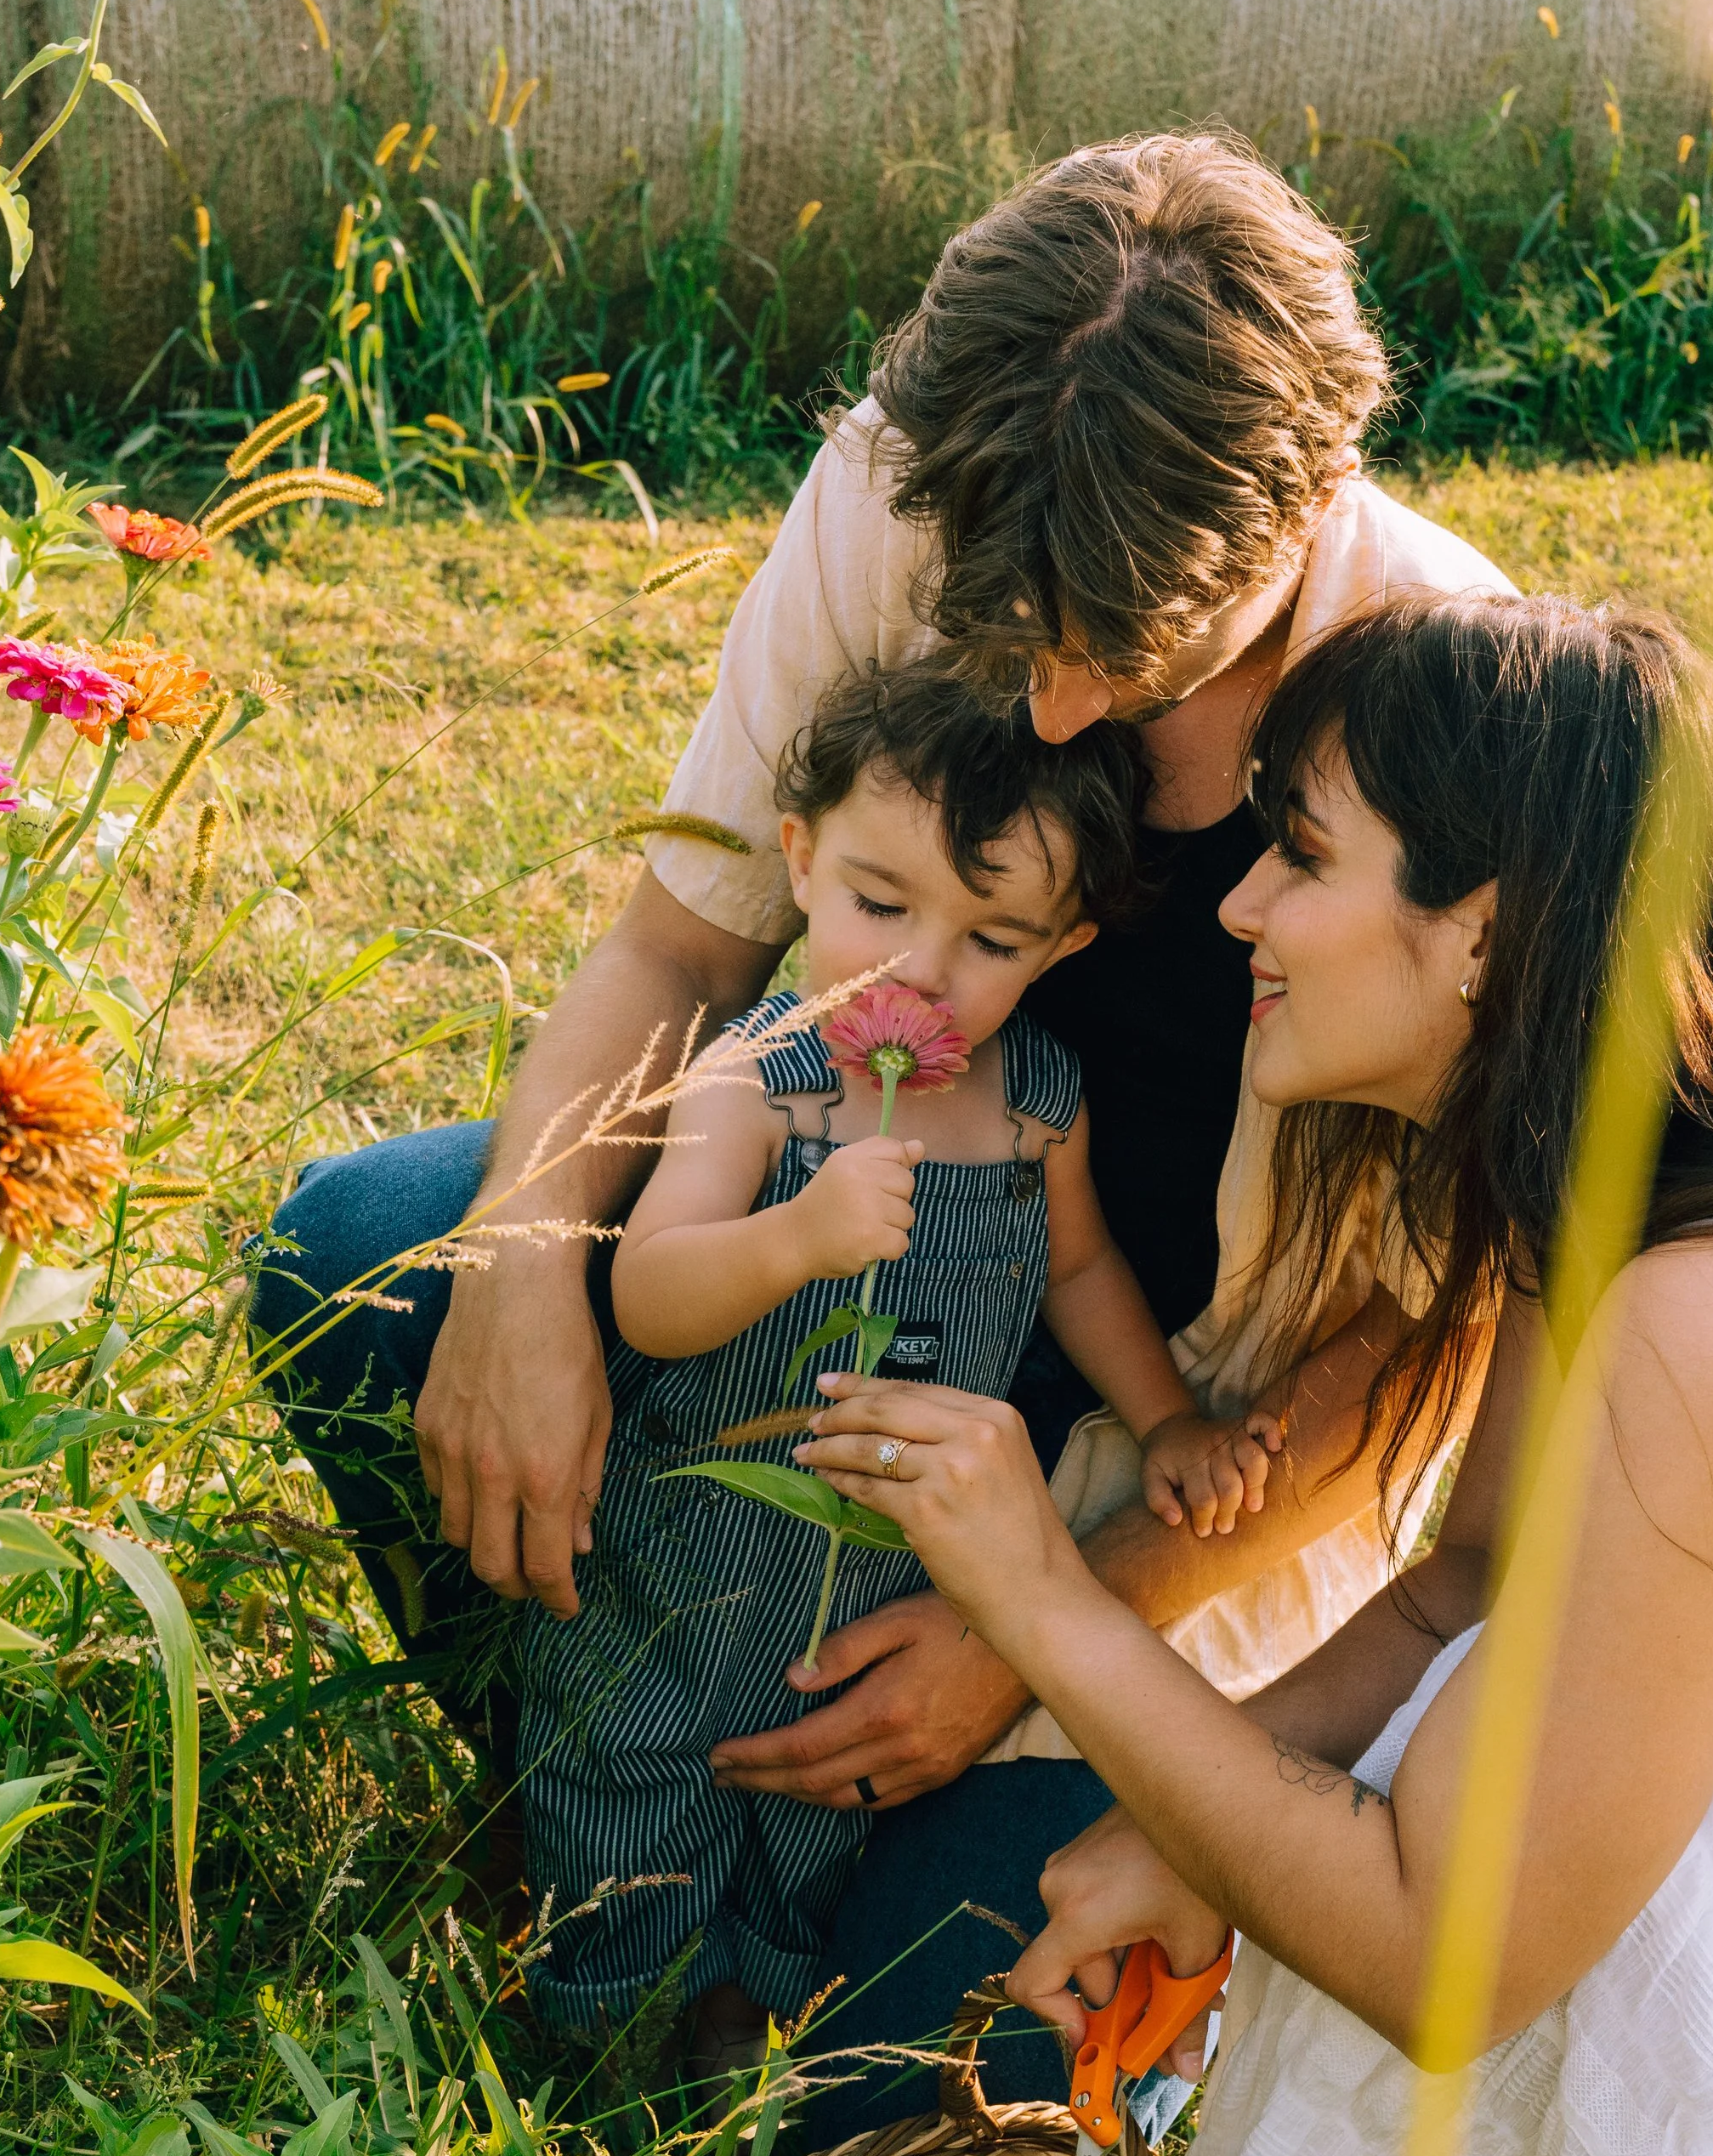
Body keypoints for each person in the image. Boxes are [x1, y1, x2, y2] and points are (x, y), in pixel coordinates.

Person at [253, 132, 1506, 2093]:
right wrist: (517, 1277)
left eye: (1129, 651)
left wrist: (1044, 1622)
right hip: (792, 1284)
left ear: (1309, 496)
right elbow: (676, 949)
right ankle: (594, 1791)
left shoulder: (1465, 690)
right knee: (359, 1261)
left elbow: (1437, 1319)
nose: (1064, 712)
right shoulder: (905, 487)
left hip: (1149, 1441)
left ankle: (783, 1863)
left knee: (888, 2081)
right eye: (1017, 638)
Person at [793, 589, 1713, 2156]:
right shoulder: (1619, 1154)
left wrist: (1044, 1606)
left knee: (1651, 1822)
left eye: (1298, 855)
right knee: (1484, 1721)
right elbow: (1456, 1575)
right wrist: (1174, 1823)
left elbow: (1443, 1953)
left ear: (1483, 928)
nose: (1240, 912)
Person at [519, 661, 1251, 2059]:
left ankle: (735, 2062)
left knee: (807, 1858)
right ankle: (594, 2073)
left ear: (1064, 946)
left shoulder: (1034, 1105)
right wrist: (794, 1237)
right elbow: (652, 1290)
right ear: (800, 860)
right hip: (688, 1569)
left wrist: (1165, 1419)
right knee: (625, 1812)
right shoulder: (760, 1080)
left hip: (874, 1592)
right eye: (879, 903)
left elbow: (1079, 1272)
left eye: (994, 936)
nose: (921, 968)